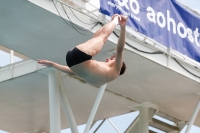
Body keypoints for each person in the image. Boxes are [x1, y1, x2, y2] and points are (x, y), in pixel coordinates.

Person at [38, 14, 127, 87]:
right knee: (96, 38)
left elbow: (119, 50)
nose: (109, 58)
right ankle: (111, 22)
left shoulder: (116, 71)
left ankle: (115, 20)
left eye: (112, 59)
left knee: (103, 37)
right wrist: (53, 65)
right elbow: (72, 71)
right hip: (71, 60)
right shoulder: (101, 79)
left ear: (120, 64)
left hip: (80, 56)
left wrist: (123, 27)